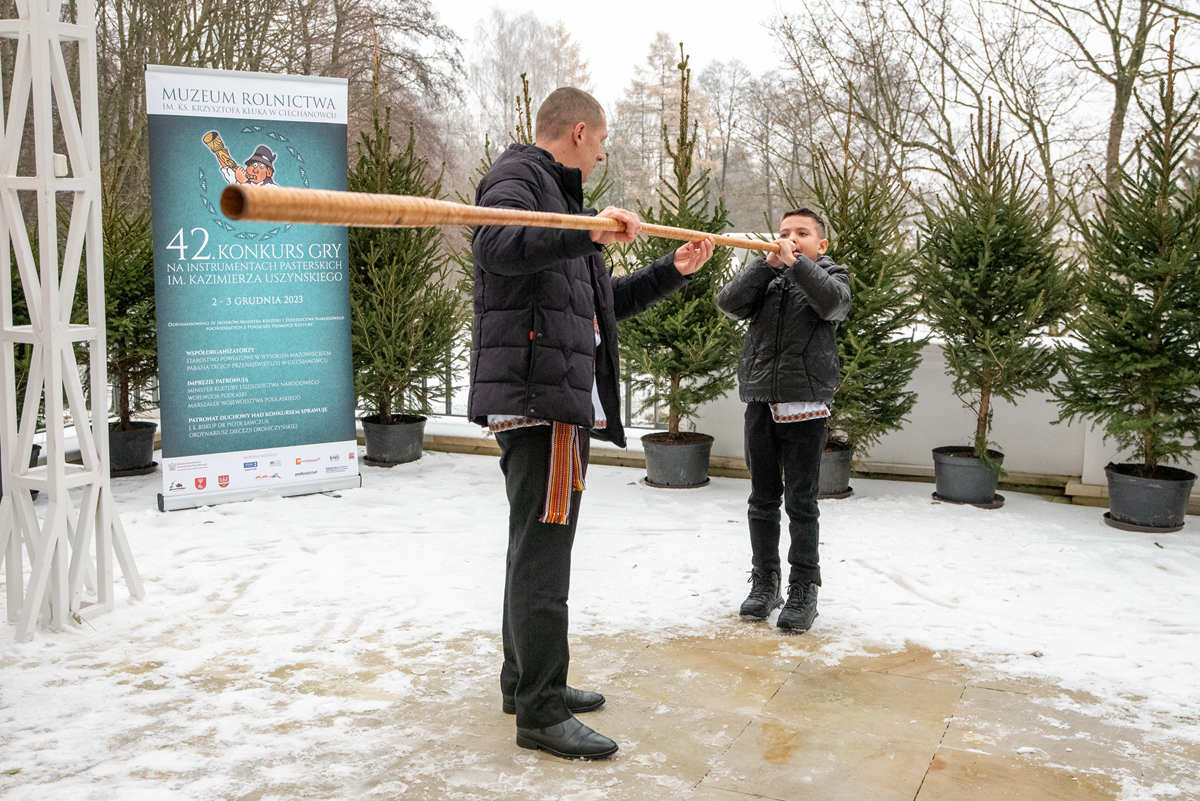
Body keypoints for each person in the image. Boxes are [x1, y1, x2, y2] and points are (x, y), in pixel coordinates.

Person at [469, 87, 716, 760]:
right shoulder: (519, 177)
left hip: (551, 399)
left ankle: (523, 682)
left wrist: (671, 270)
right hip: (541, 401)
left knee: (531, 548)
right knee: (543, 558)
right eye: (602, 140)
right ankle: (541, 711)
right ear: (579, 132)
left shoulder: (561, 201)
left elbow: (603, 305)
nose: (603, 153)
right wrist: (586, 229)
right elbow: (496, 243)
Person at [715, 209, 851, 632]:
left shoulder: (833, 277)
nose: (790, 238)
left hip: (806, 403)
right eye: (784, 231)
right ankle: (765, 582)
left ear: (821, 245)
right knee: (762, 499)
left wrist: (797, 265)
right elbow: (728, 304)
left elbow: (833, 304)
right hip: (760, 399)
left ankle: (804, 587)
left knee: (801, 501)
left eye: (802, 233)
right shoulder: (768, 278)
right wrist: (767, 265)